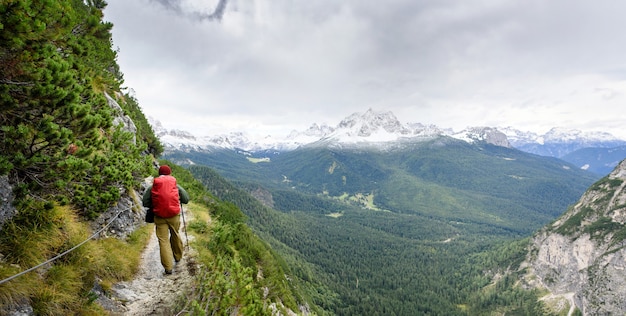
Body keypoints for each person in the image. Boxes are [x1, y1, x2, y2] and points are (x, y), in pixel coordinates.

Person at [142, 165, 190, 275]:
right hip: (174, 216)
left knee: (163, 241)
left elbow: (145, 202)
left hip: (159, 217)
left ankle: (168, 268)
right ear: (169, 173)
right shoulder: (175, 185)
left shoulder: (153, 186)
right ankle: (178, 257)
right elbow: (186, 200)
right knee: (175, 234)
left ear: (159, 173)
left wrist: (155, 205)